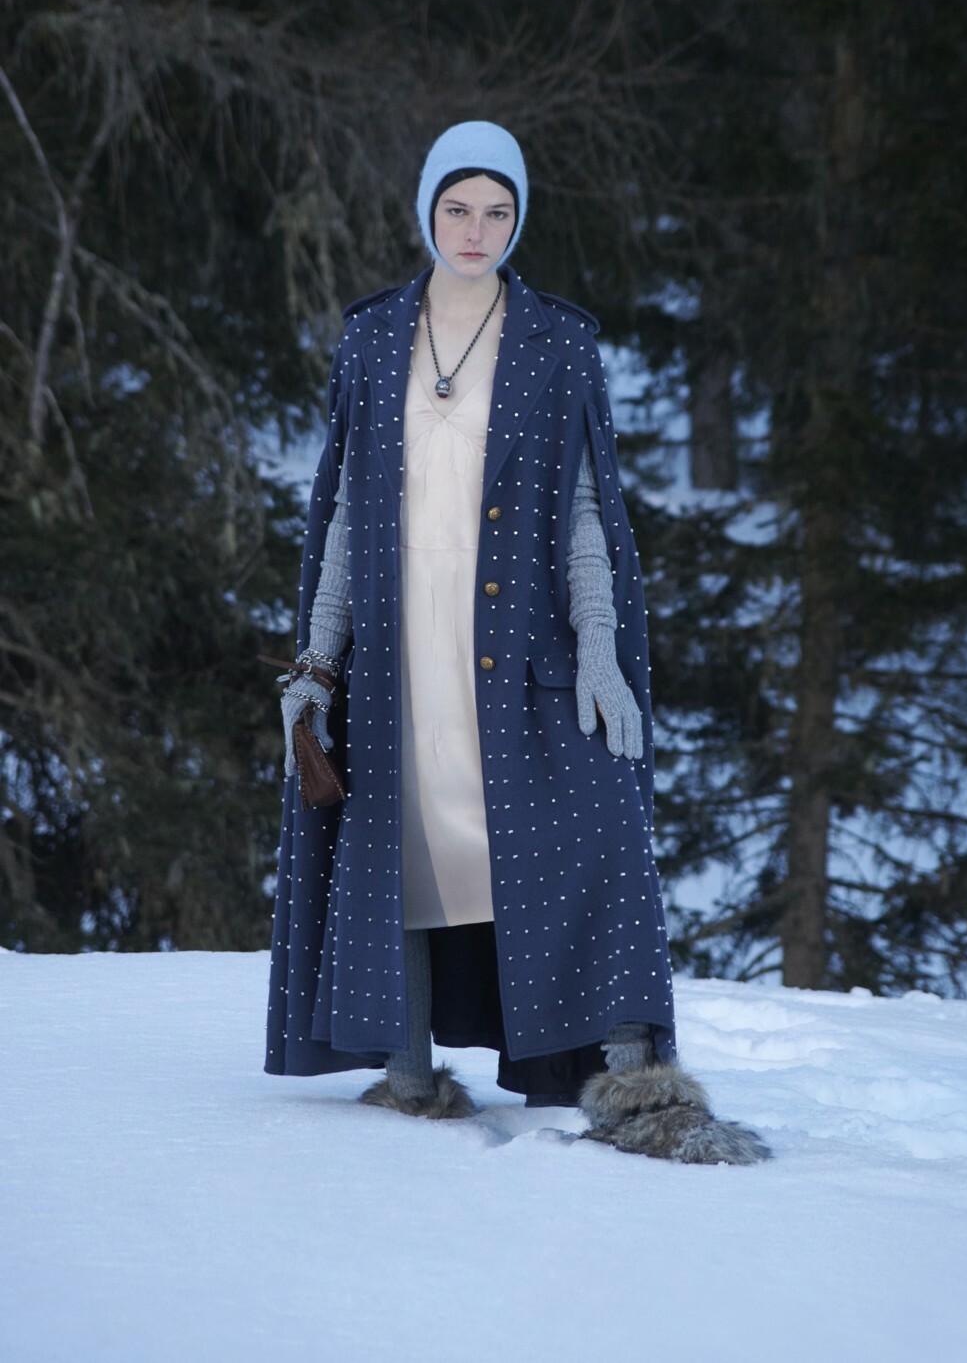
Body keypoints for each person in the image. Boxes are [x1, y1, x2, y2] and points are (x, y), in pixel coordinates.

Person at [265, 121, 769, 1163]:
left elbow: (585, 517)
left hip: (522, 655)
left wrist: (600, 646)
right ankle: (409, 1076)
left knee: (600, 834)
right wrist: (317, 660)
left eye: (497, 211)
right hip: (400, 659)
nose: (476, 230)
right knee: (403, 848)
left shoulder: (557, 342)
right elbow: (346, 517)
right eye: (457, 208)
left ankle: (639, 1087)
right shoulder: (373, 339)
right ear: (427, 211)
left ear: (519, 218)